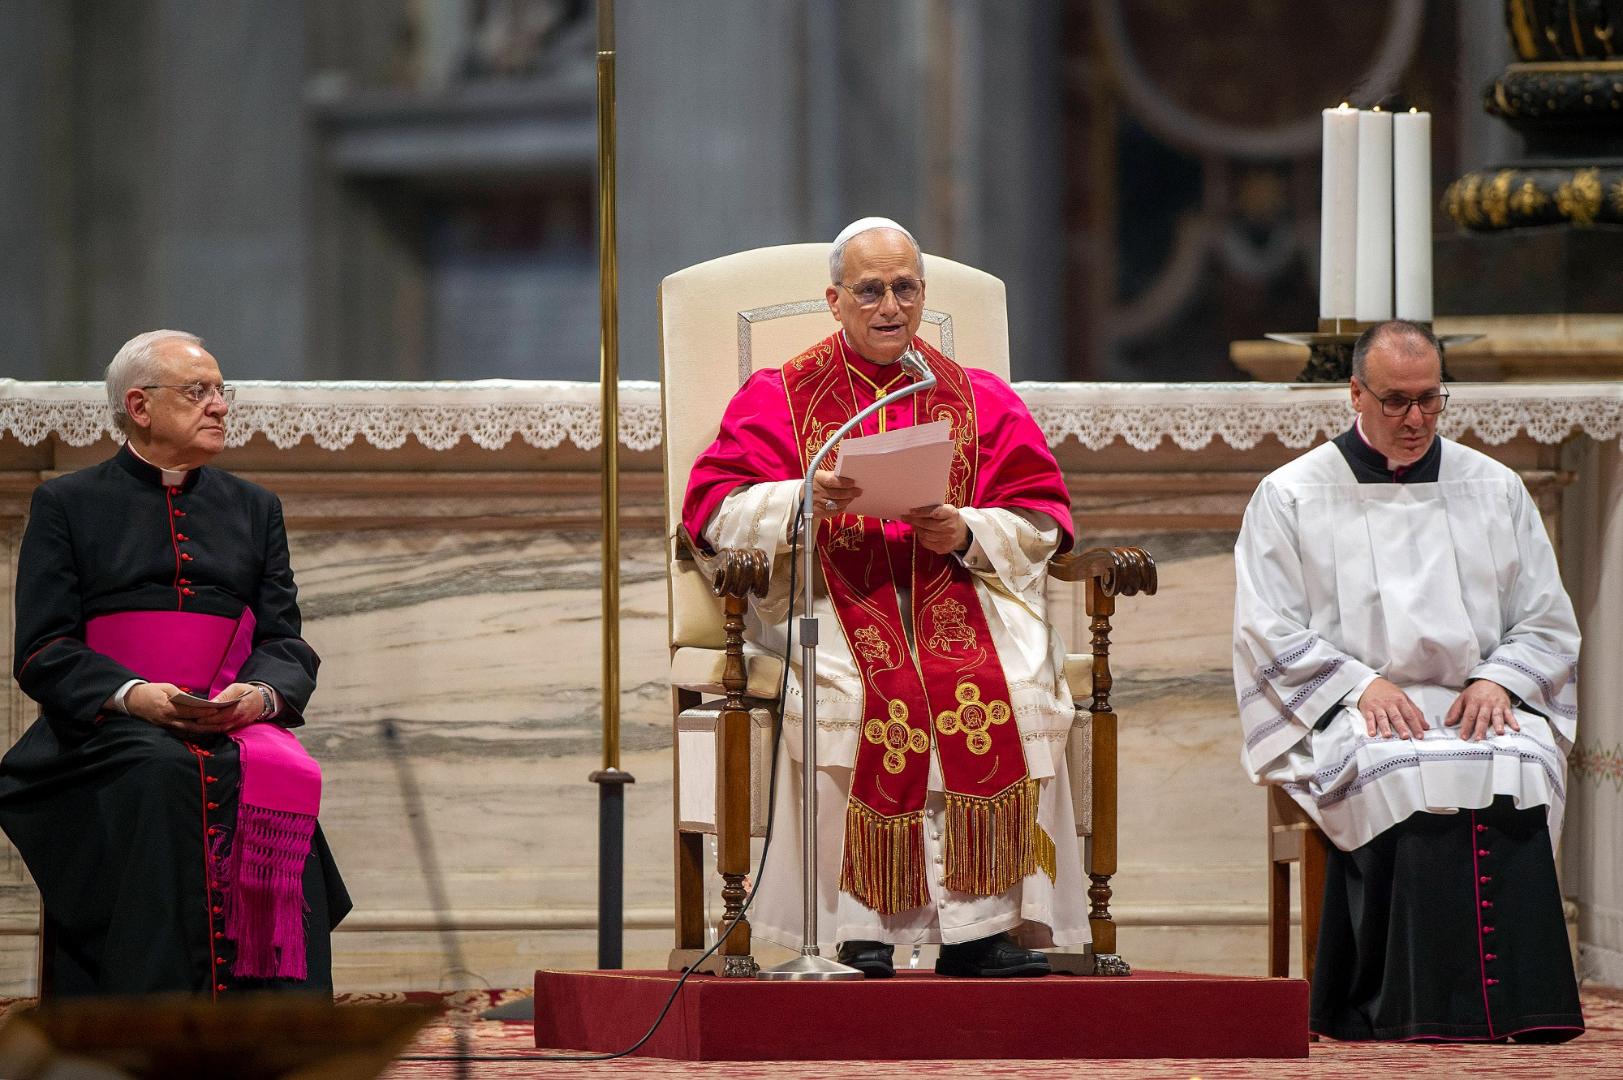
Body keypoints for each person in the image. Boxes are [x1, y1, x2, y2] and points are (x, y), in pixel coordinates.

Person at [683, 218, 1085, 978]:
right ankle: (860, 927)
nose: (889, 306)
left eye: (904, 289)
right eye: (869, 291)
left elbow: (1041, 517)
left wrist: (962, 530)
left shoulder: (978, 398)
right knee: (868, 690)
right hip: (832, 604)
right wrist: (804, 500)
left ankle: (981, 932)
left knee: (1012, 679)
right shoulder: (780, 395)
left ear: (923, 295)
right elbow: (710, 510)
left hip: (954, 592)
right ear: (834, 301)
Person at [1234, 320, 1583, 1041]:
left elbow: (1546, 621)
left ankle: (1525, 1006)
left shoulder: (1493, 487)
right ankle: (1396, 1004)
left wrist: (1498, 683)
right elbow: (1264, 626)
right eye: (1394, 401)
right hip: (1350, 706)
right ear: (1353, 393)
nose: (1415, 419)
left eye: (1430, 399)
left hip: (1474, 701)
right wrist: (1358, 686)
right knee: (1396, 770)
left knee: (1519, 761)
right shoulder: (1292, 494)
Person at [0, 329, 350, 997]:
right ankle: (152, 1014)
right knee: (163, 772)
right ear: (140, 406)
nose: (219, 405)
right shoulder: (67, 505)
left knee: (279, 773)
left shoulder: (254, 509)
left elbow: (286, 640)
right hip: (104, 730)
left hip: (230, 717)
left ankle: (279, 1024)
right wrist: (135, 695)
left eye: (221, 391)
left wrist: (260, 696)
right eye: (198, 392)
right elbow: (44, 649)